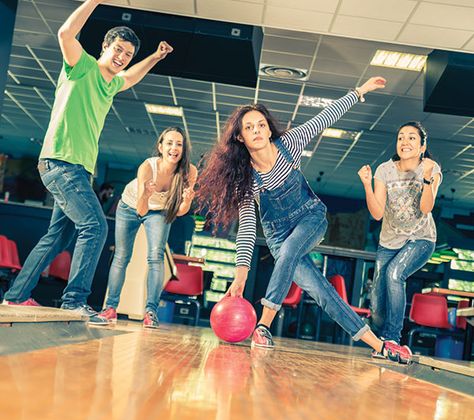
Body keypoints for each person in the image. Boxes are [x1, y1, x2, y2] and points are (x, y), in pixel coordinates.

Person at [197, 76, 413, 364]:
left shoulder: (290, 143)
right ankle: (378, 345)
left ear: (268, 127)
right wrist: (241, 274)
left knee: (289, 252)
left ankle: (264, 325)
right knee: (321, 292)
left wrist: (359, 91)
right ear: (240, 137)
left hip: (311, 217)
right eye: (249, 127)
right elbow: (248, 226)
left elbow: (325, 117)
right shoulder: (246, 178)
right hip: (277, 235)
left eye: (261, 124)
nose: (257, 130)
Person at [1, 0, 173, 325]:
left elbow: (131, 78)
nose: (122, 58)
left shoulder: (109, 84)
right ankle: (74, 300)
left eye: (127, 55)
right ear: (104, 46)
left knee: (58, 236)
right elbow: (66, 32)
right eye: (118, 50)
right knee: (94, 226)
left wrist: (154, 56)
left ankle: (15, 295)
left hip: (77, 170)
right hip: (61, 163)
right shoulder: (82, 66)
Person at [99, 127, 197, 328]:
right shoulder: (147, 167)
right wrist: (145, 194)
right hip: (130, 206)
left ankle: (150, 312)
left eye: (179, 144)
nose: (174, 148)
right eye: (169, 143)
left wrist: (186, 201)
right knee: (122, 256)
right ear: (160, 147)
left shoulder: (189, 172)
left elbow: (179, 211)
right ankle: (110, 308)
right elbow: (141, 210)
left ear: (184, 149)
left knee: (156, 257)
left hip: (159, 211)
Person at [358, 121, 441, 356]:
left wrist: (426, 179)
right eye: (401, 137)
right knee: (377, 299)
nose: (405, 141)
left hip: (422, 238)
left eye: (412, 138)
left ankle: (393, 338)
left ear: (422, 146)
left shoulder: (432, 170)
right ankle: (380, 340)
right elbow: (377, 214)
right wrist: (366, 184)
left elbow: (426, 208)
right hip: (389, 242)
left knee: (396, 274)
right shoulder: (385, 170)